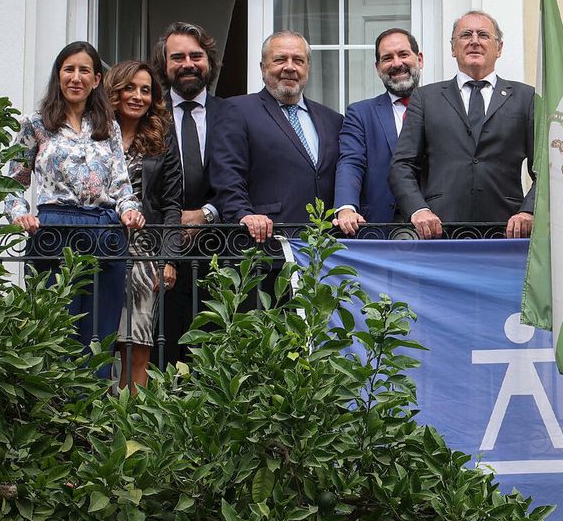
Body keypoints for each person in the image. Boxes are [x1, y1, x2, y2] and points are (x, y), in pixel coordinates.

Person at [1, 42, 145, 358]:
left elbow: (122, 187)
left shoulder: (109, 127)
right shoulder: (34, 124)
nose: (76, 78)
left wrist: (131, 211)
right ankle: (54, 407)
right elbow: (10, 186)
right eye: (69, 69)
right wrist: (20, 214)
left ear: (96, 80)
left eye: (84, 70)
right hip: (54, 232)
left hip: (105, 235)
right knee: (53, 331)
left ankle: (93, 405)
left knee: (99, 337)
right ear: (59, 76)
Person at [390, 10, 536, 239]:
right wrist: (419, 210)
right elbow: (402, 165)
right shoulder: (425, 98)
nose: (475, 41)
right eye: (466, 35)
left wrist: (529, 211)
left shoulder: (526, 98)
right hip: (441, 233)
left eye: (483, 35)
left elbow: (545, 168)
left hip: (508, 232)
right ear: (453, 48)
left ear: (499, 48)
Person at [209, 30, 343, 243]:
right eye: (280, 59)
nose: (289, 67)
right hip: (267, 247)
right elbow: (228, 175)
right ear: (263, 68)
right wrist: (243, 215)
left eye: (298, 60)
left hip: (324, 250)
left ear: (307, 68)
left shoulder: (333, 120)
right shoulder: (237, 110)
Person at [105, 60, 182, 392]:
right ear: (114, 91)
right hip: (101, 245)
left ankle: (131, 425)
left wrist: (169, 258)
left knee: (137, 342)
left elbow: (170, 205)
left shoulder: (161, 138)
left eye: (146, 90)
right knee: (98, 338)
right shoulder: (93, 132)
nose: (137, 96)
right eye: (130, 88)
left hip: (143, 252)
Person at [156, 21, 224, 362]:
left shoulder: (233, 114)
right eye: (177, 56)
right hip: (155, 252)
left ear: (209, 61)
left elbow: (248, 178)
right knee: (157, 353)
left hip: (219, 251)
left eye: (196, 56)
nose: (187, 64)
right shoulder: (147, 114)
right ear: (164, 65)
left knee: (211, 359)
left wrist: (207, 213)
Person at [334, 28, 423, 236]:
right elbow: (350, 161)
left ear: (419, 59)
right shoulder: (360, 113)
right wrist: (346, 207)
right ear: (377, 67)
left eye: (403, 54)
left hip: (435, 228)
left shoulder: (442, 107)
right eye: (387, 58)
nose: (396, 63)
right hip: (378, 229)